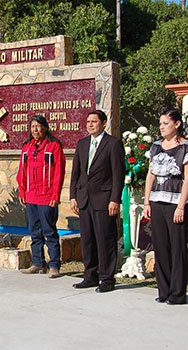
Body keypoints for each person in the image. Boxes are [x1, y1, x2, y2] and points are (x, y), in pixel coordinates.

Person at [144, 110, 188, 305]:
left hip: (176, 204)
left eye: (166, 123)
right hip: (157, 202)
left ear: (177, 124)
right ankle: (163, 289)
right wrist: (147, 201)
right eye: (160, 123)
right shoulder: (156, 147)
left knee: (177, 247)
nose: (162, 127)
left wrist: (181, 206)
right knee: (161, 247)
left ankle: (177, 293)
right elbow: (151, 174)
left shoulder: (187, 148)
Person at [70, 110, 125, 293]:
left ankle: (107, 279)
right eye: (88, 121)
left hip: (104, 200)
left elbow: (118, 174)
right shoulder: (82, 144)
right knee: (88, 240)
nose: (90, 124)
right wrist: (73, 196)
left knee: (105, 240)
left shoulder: (113, 144)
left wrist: (114, 199)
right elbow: (76, 173)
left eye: (94, 121)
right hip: (84, 199)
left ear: (103, 123)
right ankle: (90, 276)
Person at [17, 115, 66, 278]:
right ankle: (38, 263)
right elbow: (22, 171)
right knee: (35, 232)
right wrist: (22, 191)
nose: (35, 130)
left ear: (45, 127)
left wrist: (55, 194)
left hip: (47, 197)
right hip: (31, 196)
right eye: (32, 127)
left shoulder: (54, 146)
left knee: (49, 231)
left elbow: (59, 171)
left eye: (38, 126)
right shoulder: (27, 147)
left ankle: (54, 265)